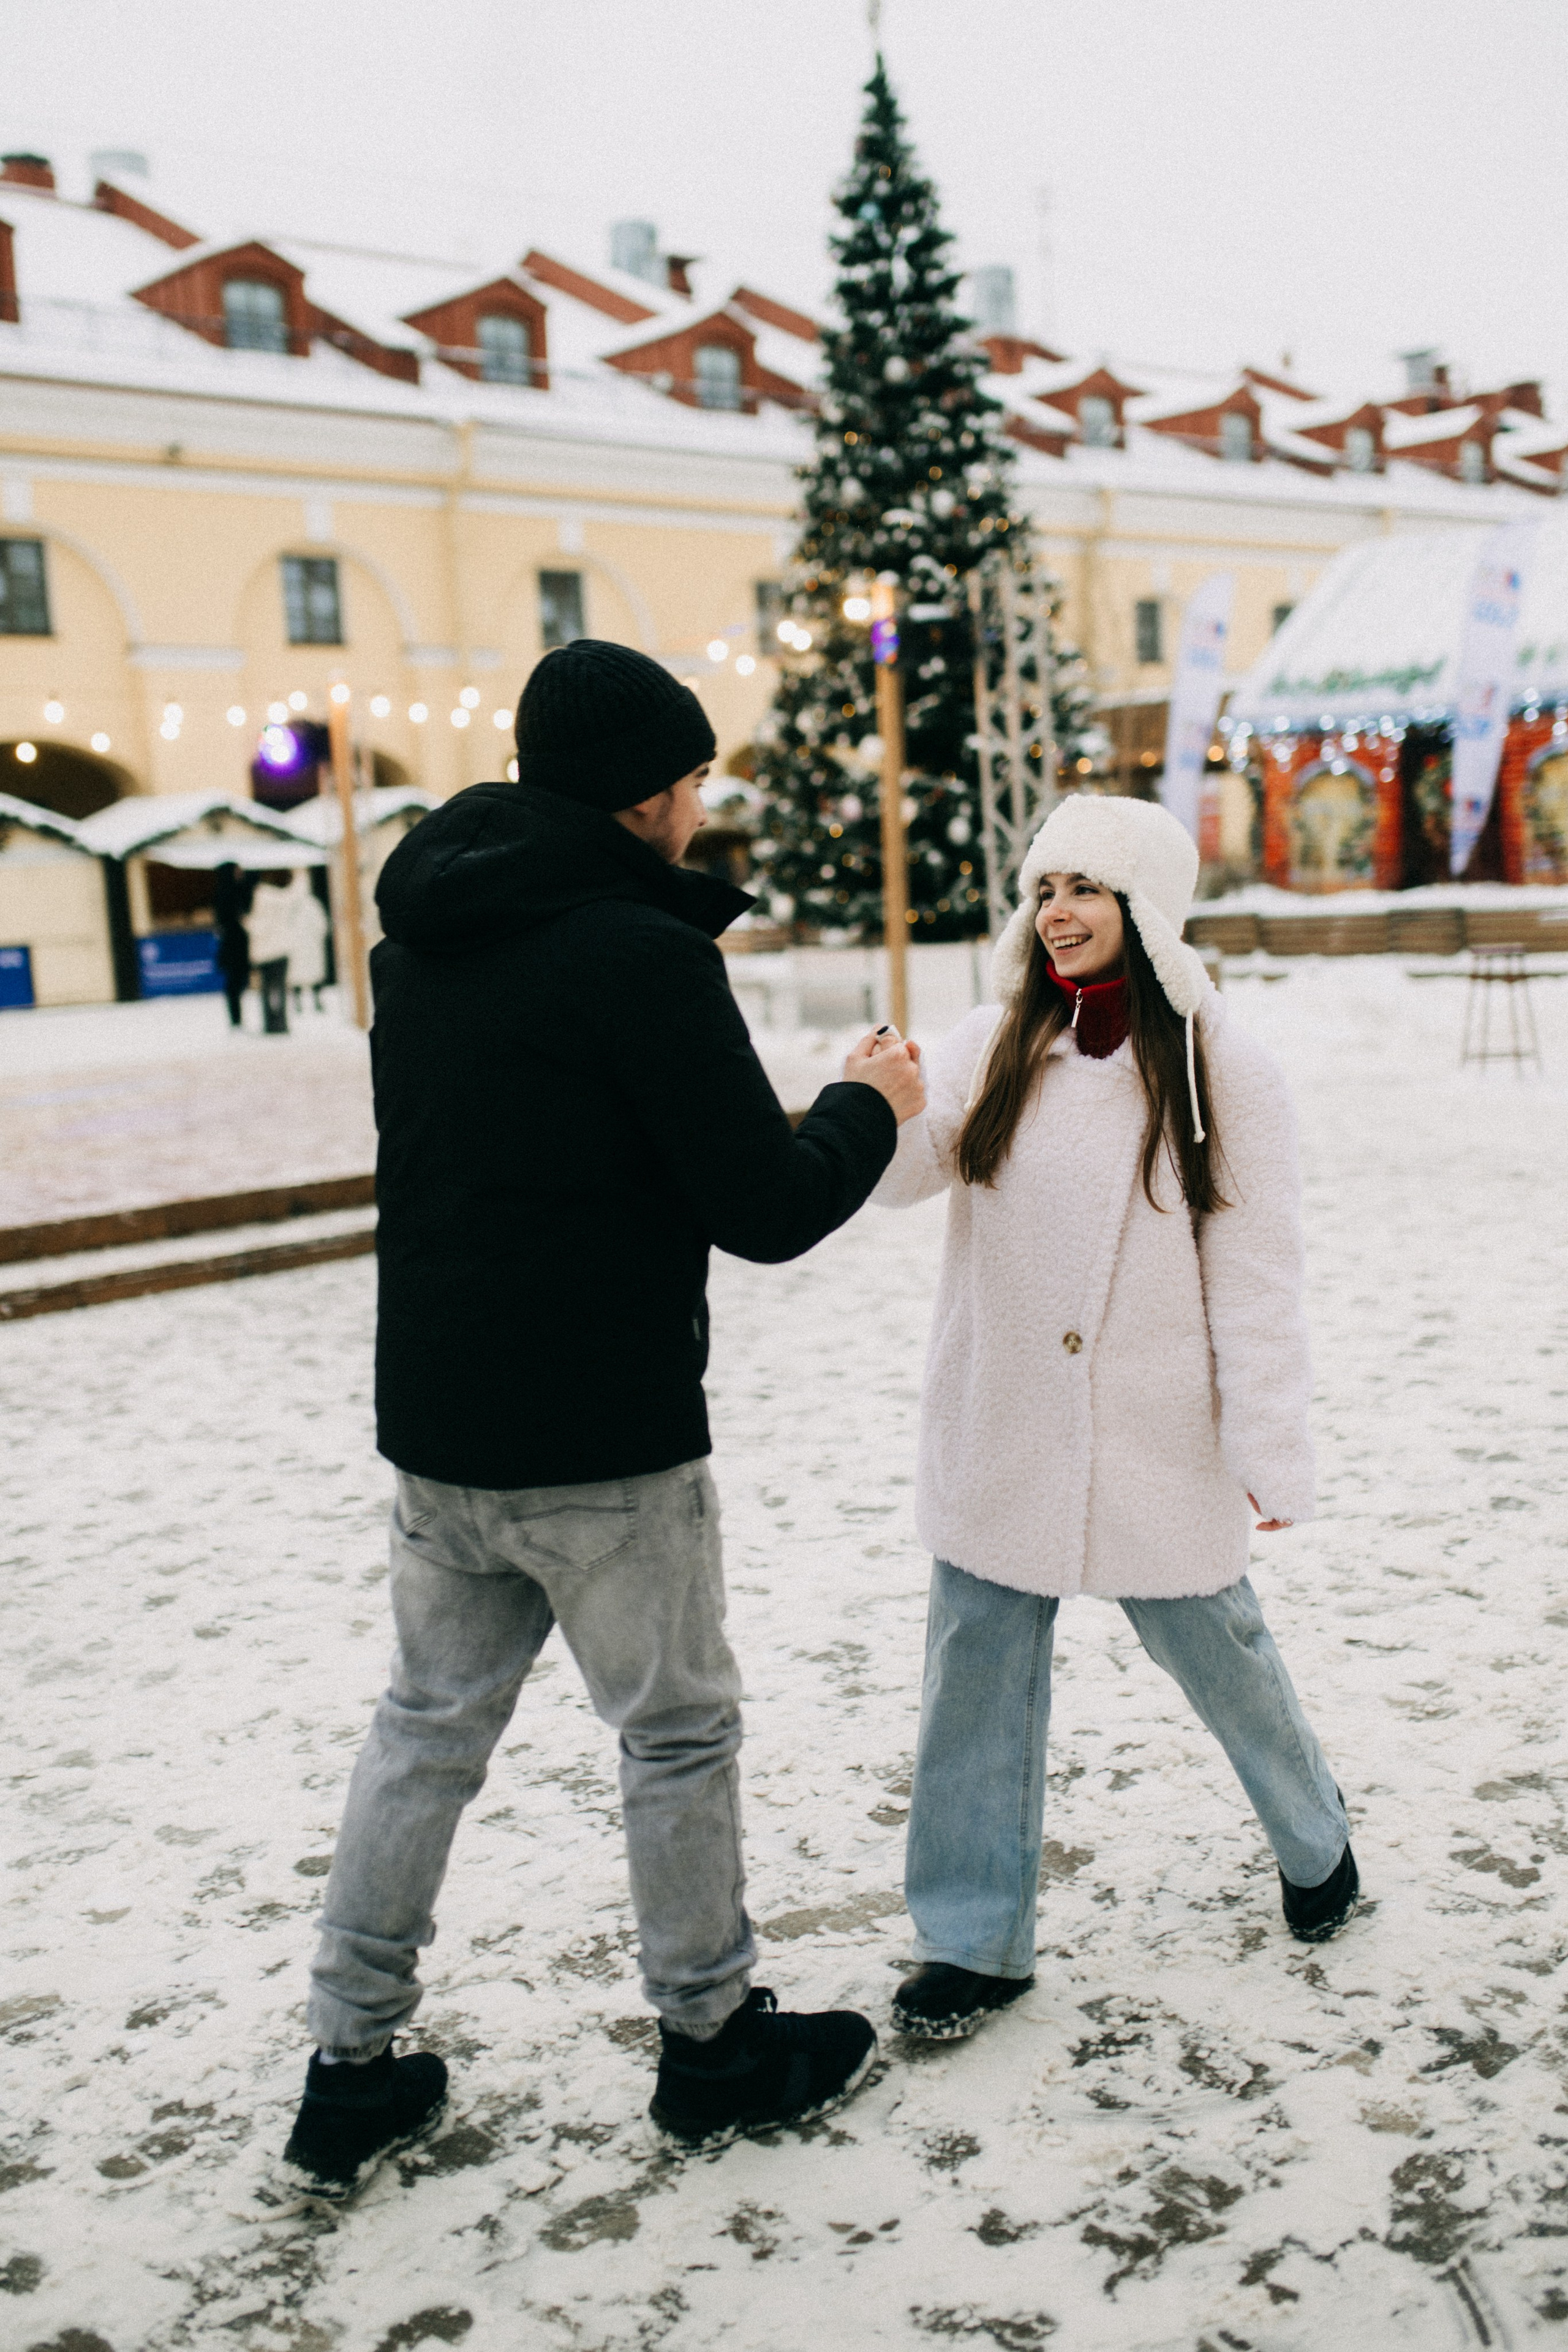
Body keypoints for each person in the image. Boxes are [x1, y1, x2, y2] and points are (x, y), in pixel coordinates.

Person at [282, 639, 925, 2201]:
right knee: (676, 1732)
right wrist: (868, 1105)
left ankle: (346, 2066)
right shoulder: (638, 954)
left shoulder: (419, 942)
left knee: (424, 1729)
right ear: (646, 793)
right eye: (693, 779)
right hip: (604, 1441)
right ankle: (711, 2043)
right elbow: (762, 1207)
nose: (703, 807)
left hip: (441, 1425)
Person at [871, 793, 1357, 2045]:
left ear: (1144, 906)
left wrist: (1266, 1443)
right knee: (972, 1677)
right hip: (1005, 1423)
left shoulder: (1218, 1067)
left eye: (1085, 887)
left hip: (1152, 1431)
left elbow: (1256, 1272)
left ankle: (1317, 1839)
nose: (1057, 912)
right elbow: (906, 1178)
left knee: (1222, 1655)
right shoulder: (994, 1038)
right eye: (1045, 889)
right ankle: (969, 1942)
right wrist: (883, 1102)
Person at [246, 871, 296, 1035]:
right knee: (280, 988)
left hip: (266, 952)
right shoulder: (282, 897)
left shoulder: (259, 898)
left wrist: (246, 923)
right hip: (282, 949)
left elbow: (259, 927)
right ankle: (282, 1023)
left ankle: (270, 1024)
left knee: (267, 989)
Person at [211, 862, 252, 1029]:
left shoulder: (231, 891)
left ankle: (236, 1018)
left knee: (237, 982)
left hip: (234, 944)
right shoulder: (229, 894)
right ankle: (236, 1018)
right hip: (234, 945)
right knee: (235, 982)